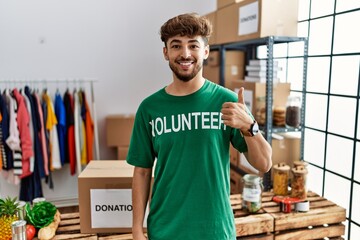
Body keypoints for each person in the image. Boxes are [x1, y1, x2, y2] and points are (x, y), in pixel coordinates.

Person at [126, 12, 272, 240]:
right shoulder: (149, 108)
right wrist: (136, 229)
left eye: (193, 45)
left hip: (215, 230)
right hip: (165, 231)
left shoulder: (228, 102)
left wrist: (249, 127)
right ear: (166, 53)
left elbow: (264, 163)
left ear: (205, 51)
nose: (185, 54)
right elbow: (142, 171)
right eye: (176, 46)